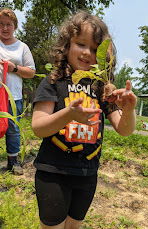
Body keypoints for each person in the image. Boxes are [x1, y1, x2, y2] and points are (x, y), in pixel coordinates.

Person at [32, 10, 137, 229]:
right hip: (53, 172)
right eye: (81, 44)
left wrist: (127, 110)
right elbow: (39, 127)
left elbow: (124, 129)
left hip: (87, 174)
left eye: (95, 49)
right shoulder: (53, 82)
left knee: (74, 226)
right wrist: (68, 114)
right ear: (67, 45)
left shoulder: (102, 89)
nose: (87, 53)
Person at [0, 8, 35, 175]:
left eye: (8, 24)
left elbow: (31, 72)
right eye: (1, 24)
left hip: (13, 97)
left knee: (13, 129)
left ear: (14, 26)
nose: (5, 28)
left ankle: (13, 162)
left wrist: (14, 68)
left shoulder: (22, 47)